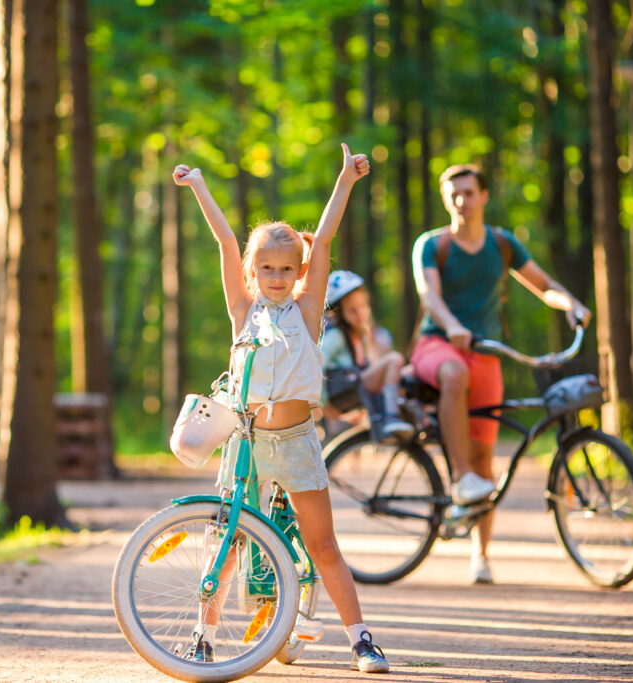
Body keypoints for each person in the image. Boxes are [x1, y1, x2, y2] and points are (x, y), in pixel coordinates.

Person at [173, 143, 390, 674]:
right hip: (245, 443)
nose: (275, 276)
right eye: (265, 267)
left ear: (300, 271)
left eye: (286, 268)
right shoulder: (242, 311)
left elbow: (328, 233)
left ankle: (362, 640)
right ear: (251, 272)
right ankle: (202, 639)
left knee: (323, 544)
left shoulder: (309, 310)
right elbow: (226, 238)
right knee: (225, 540)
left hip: (296, 444)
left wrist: (347, 179)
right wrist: (198, 183)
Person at [411, 162, 591, 584]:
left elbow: (545, 286)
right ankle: (459, 481)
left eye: (469, 192)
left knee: (486, 457)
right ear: (445, 198)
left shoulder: (502, 244)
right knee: (454, 373)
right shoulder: (431, 245)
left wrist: (572, 305)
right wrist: (453, 325)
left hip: (487, 354)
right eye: (453, 194)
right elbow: (429, 296)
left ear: (484, 195)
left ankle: (482, 556)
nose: (461, 200)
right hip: (439, 345)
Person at [321, 270, 413, 441]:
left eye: (363, 307)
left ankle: (411, 418)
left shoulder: (360, 335)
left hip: (354, 383)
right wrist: (322, 402)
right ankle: (391, 417)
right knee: (395, 359)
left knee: (410, 373)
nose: (360, 314)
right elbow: (318, 363)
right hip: (343, 389)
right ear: (340, 313)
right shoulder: (337, 336)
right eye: (352, 310)